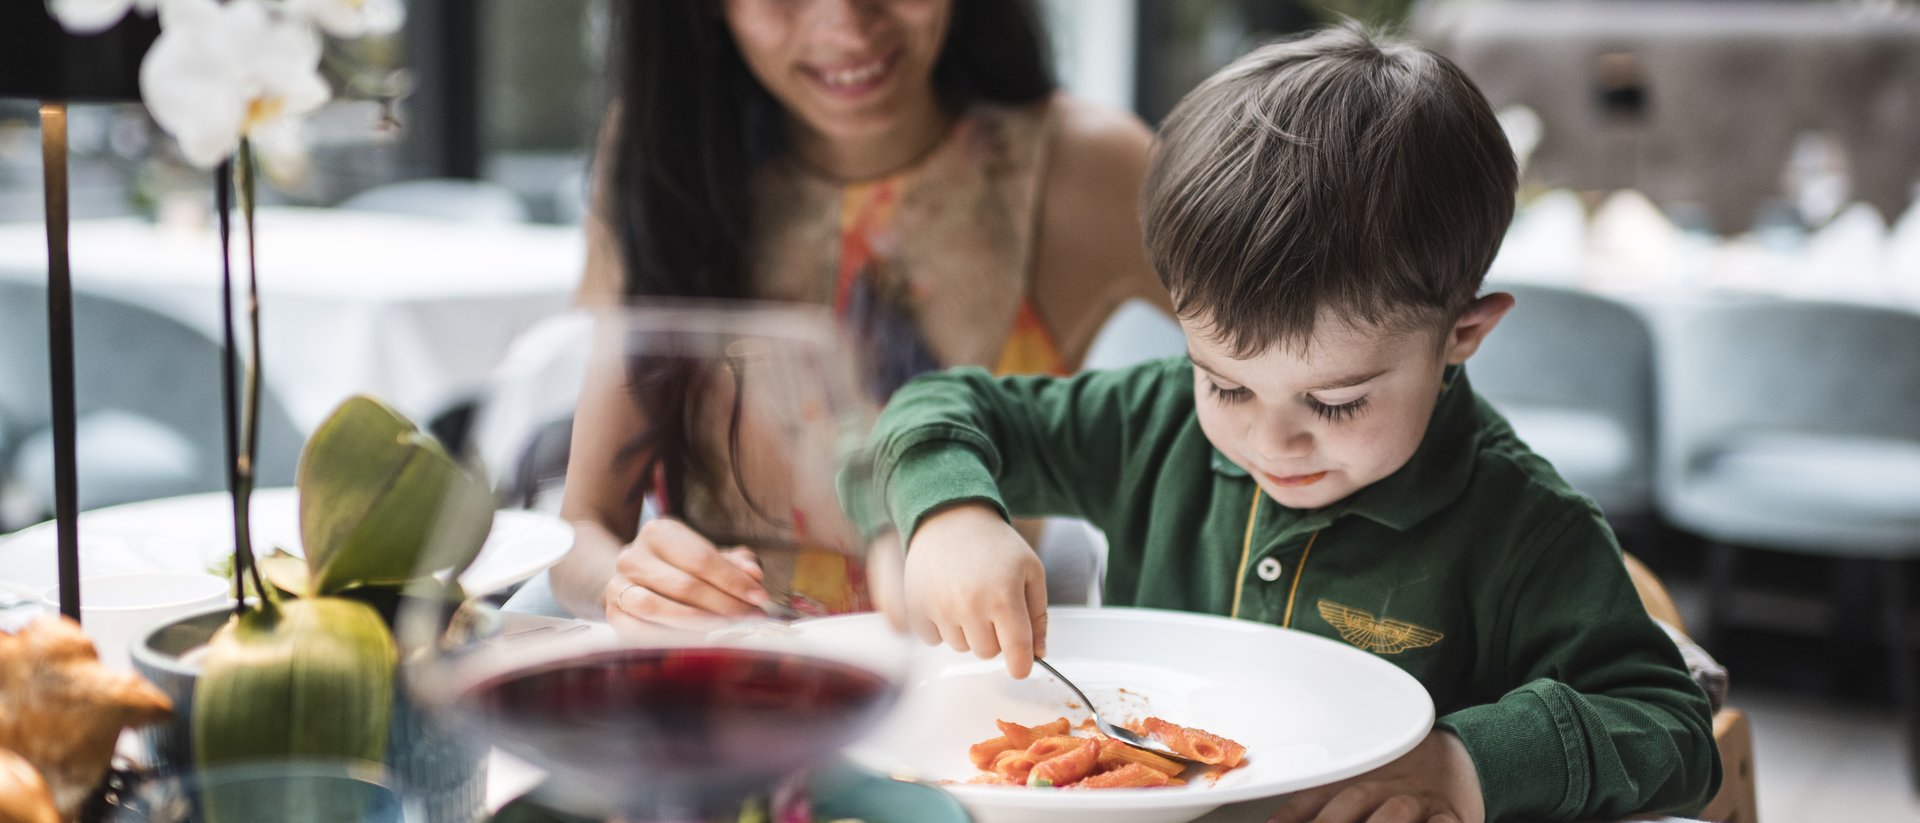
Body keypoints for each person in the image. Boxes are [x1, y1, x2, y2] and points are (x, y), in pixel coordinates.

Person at [861, 25, 1720, 823]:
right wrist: (949, 514)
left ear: (1462, 335)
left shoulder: (1524, 526)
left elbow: (1669, 723)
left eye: (1336, 402)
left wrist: (1462, 765)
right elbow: (938, 407)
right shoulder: (1152, 421)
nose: (1272, 441)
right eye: (1226, 385)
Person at [549, 0, 1171, 624]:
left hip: (963, 700)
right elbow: (583, 530)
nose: (846, 25)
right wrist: (632, 583)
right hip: (721, 691)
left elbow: (1262, 370)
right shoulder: (669, 159)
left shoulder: (1084, 168)